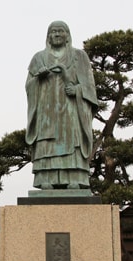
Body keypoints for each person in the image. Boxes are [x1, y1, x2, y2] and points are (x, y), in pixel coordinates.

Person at [25, 21, 98, 190]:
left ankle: (75, 177)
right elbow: (28, 85)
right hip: (46, 110)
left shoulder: (79, 56)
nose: (57, 34)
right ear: (48, 36)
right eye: (53, 31)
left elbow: (90, 87)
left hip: (71, 108)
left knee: (73, 141)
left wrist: (78, 90)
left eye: (61, 31)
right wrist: (37, 78)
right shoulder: (38, 58)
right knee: (46, 142)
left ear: (67, 35)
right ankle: (45, 179)